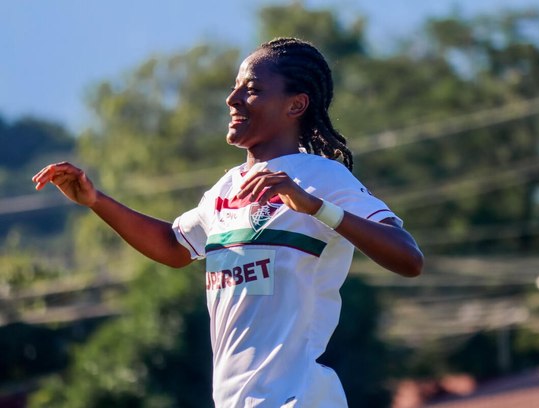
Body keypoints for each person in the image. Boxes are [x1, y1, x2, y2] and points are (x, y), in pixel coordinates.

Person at [32, 37, 423, 407]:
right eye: (235, 87)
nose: (232, 99)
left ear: (296, 105)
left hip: (298, 398)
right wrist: (95, 200)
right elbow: (174, 246)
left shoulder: (321, 177)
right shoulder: (226, 187)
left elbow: (408, 258)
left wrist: (316, 207)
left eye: (251, 89)